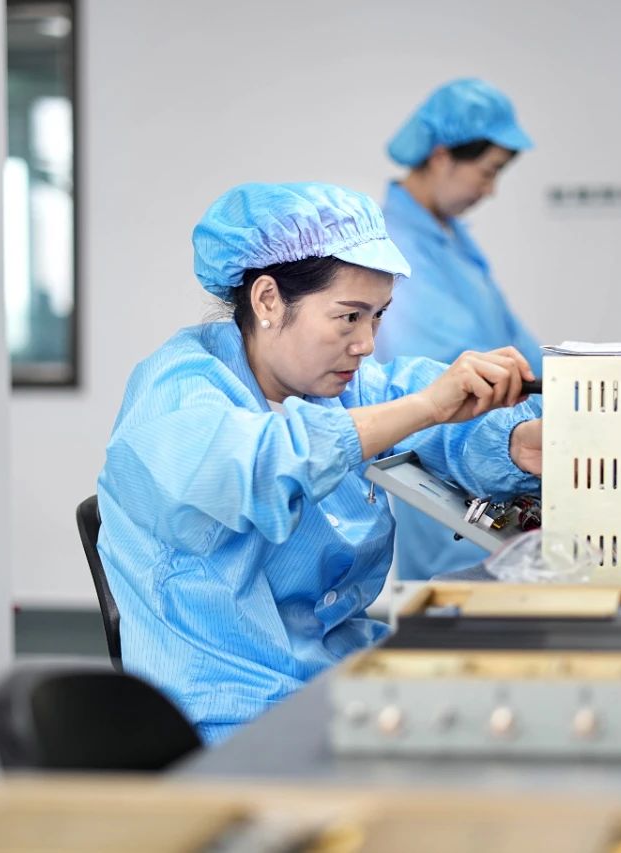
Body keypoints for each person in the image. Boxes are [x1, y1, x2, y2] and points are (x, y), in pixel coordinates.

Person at [95, 182, 543, 743]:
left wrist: (517, 440)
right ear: (267, 301)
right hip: (233, 711)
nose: (366, 343)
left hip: (336, 681)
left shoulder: (334, 387)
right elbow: (259, 464)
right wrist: (425, 407)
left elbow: (426, 409)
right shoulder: (176, 393)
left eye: (378, 317)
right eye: (348, 317)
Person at [375, 78, 545, 580]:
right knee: (455, 601)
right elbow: (439, 381)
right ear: (442, 156)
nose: (490, 190)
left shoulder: (453, 241)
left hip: (504, 462)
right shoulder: (397, 248)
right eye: (487, 172)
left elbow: (517, 349)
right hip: (457, 481)